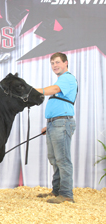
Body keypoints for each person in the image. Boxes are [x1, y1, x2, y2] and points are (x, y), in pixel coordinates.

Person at [35, 52, 77, 204]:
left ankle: (66, 194)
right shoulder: (62, 79)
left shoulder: (67, 78)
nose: (55, 65)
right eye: (52, 63)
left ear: (66, 63)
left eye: (58, 62)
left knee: (62, 159)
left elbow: (53, 90)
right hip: (55, 123)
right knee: (54, 159)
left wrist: (35, 91)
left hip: (61, 123)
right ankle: (56, 191)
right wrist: (49, 124)